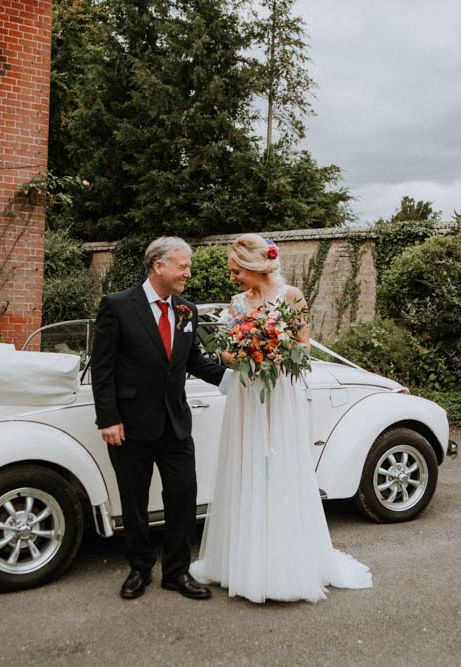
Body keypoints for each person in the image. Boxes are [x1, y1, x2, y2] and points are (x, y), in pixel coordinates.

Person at [190, 233, 372, 602]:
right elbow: (226, 354)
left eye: (236, 270)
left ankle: (285, 565)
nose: (233, 277)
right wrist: (238, 354)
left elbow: (304, 347)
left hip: (278, 395)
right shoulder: (237, 303)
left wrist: (272, 350)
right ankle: (239, 562)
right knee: (246, 466)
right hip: (245, 395)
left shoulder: (292, 297)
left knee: (281, 467)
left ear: (255, 265)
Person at [92, 237, 227, 600]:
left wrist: (238, 377)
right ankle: (139, 568)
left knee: (183, 496)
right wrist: (108, 418)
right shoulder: (117, 306)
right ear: (158, 266)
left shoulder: (186, 309)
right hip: (130, 425)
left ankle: (177, 572)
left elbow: (195, 362)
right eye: (182, 266)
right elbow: (102, 369)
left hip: (175, 425)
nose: (188, 272)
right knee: (134, 500)